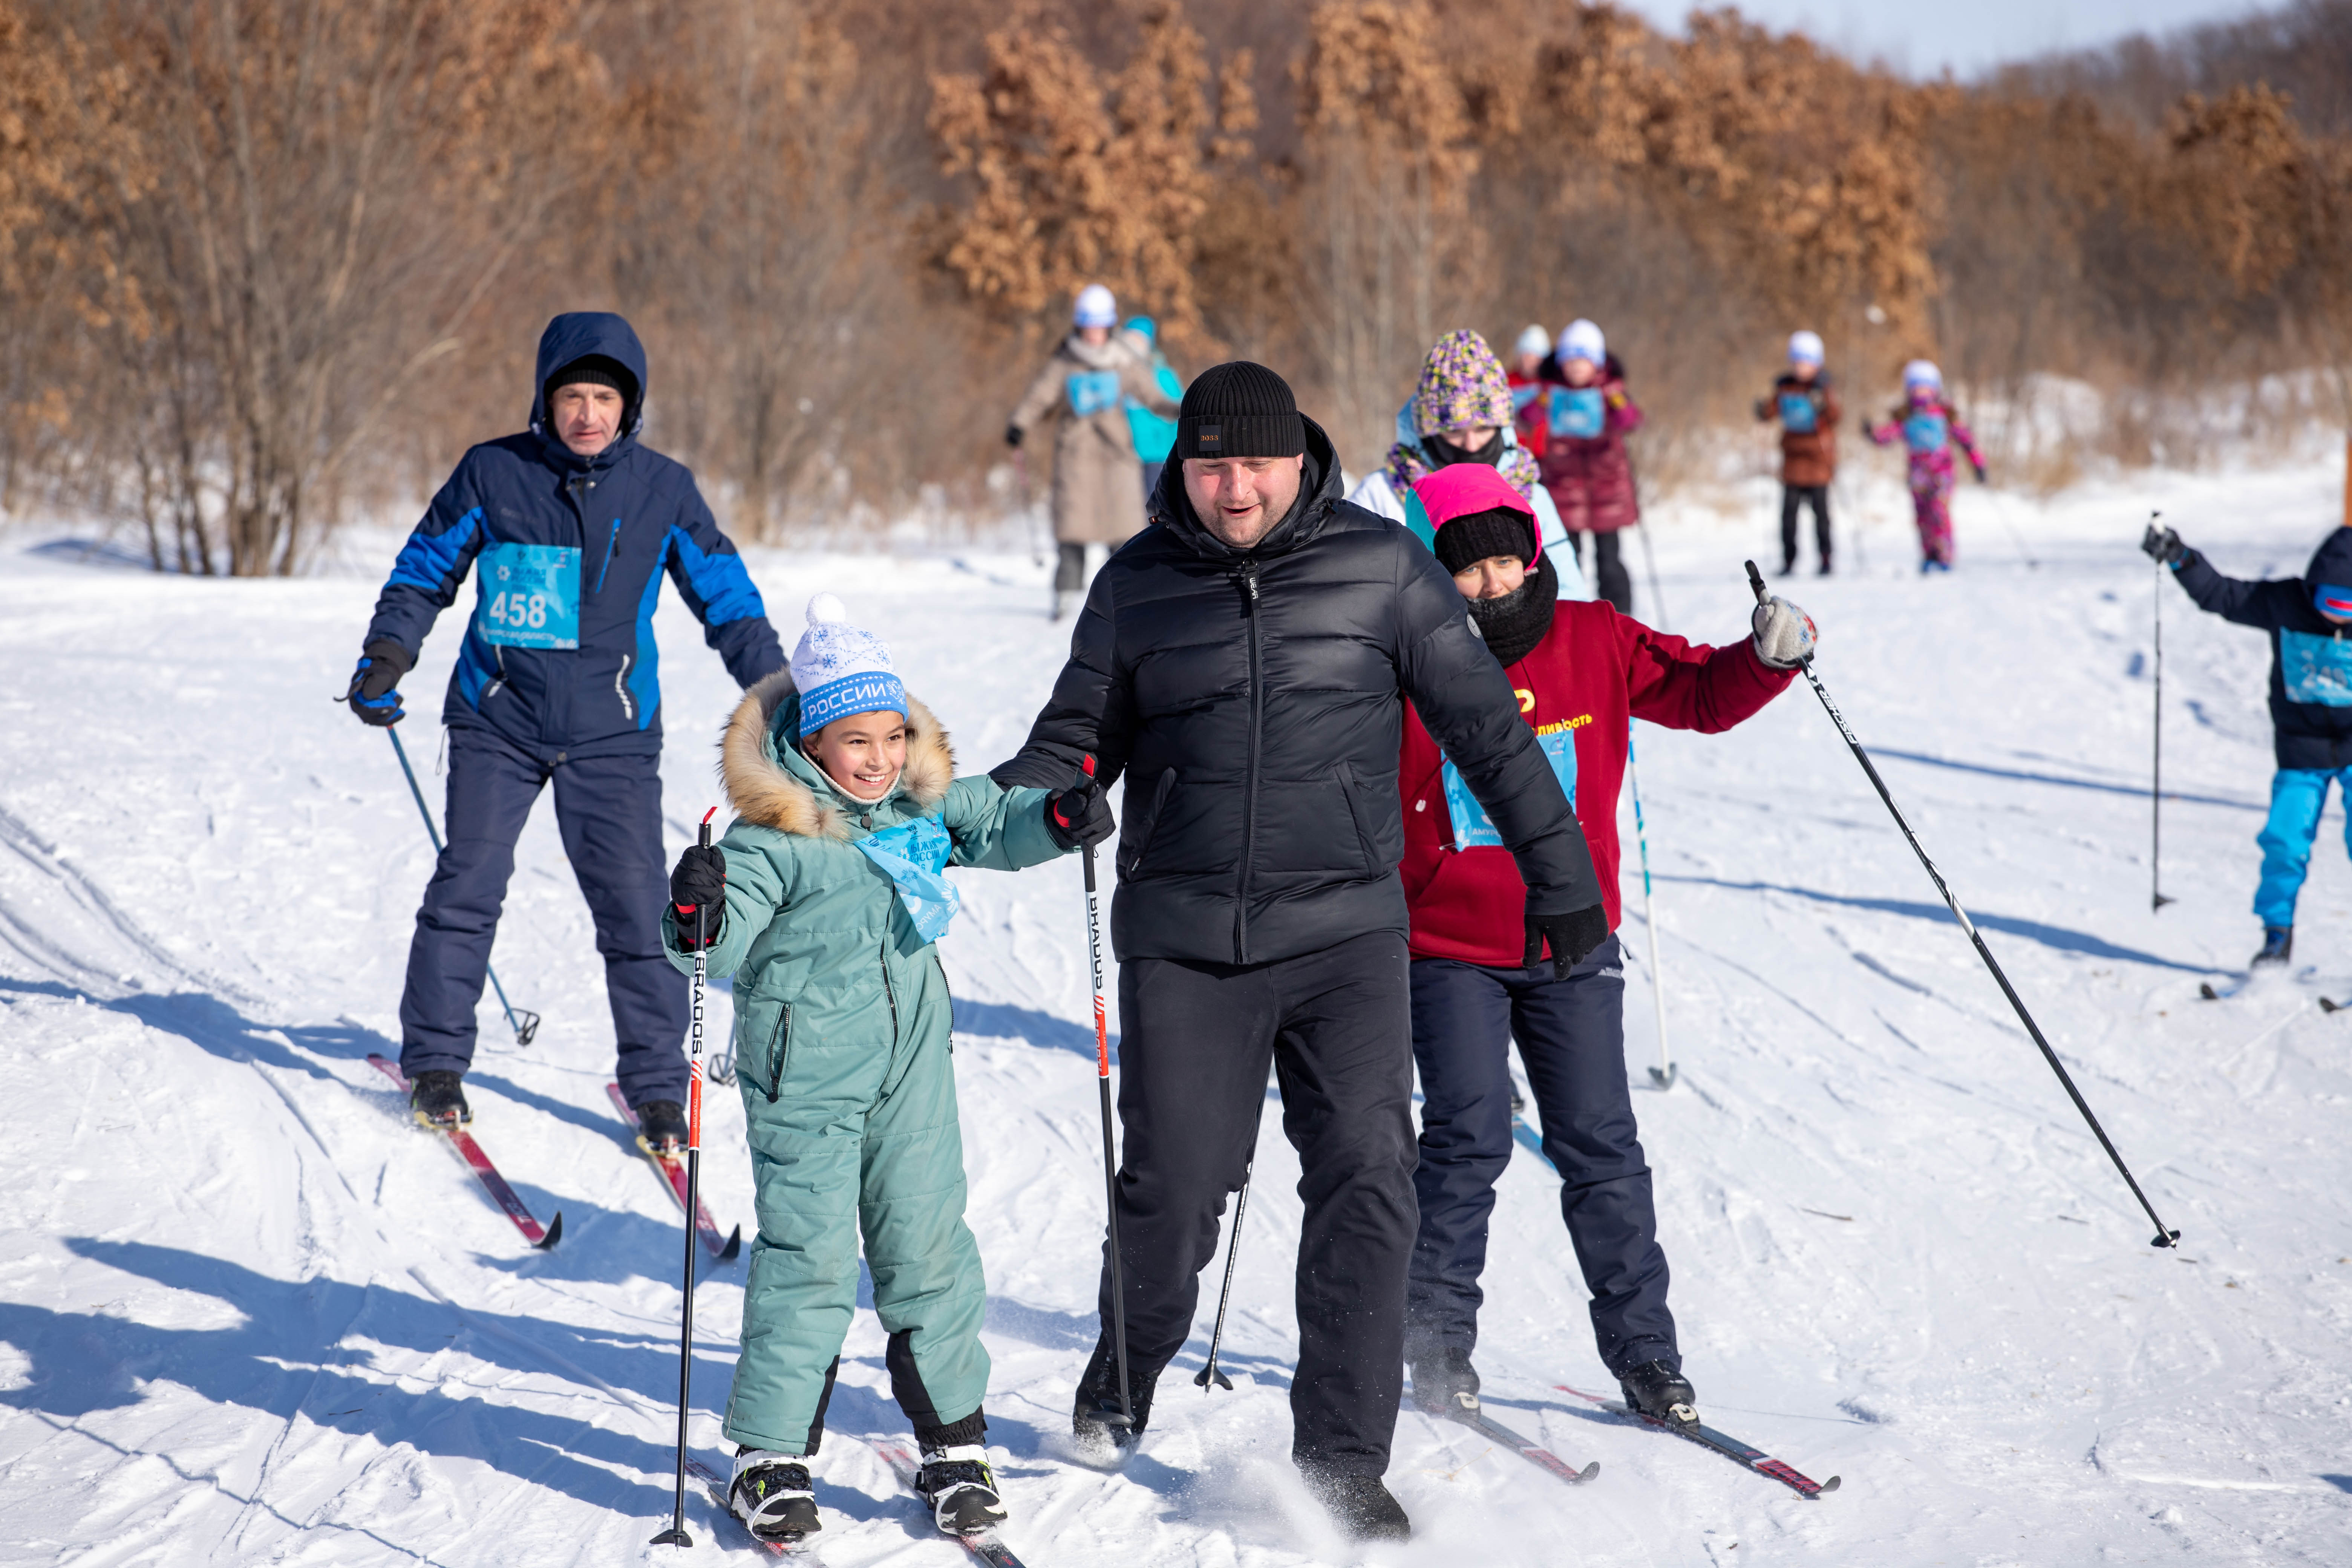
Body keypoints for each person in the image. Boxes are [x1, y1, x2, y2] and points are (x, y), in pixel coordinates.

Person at [989, 360, 1609, 1543]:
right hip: (1185, 938)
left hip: (1347, 936)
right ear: (1184, 467)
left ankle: (1340, 1459)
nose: (1234, 488)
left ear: (1300, 459)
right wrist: (1045, 800)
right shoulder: (1137, 583)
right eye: (1211, 464)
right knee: (1172, 1188)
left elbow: (1487, 725)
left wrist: (1561, 875)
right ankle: (1123, 1369)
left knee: (1370, 1178)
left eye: (1255, 463)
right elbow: (1069, 739)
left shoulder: (1383, 567)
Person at [661, 593, 1096, 1546]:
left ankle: (954, 1444)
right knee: (808, 1260)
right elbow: (717, 947)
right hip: (802, 1078)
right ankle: (768, 1456)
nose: (880, 759)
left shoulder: (918, 803)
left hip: (909, 1075)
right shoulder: (771, 839)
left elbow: (998, 822)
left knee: (929, 1248)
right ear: (812, 741)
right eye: (856, 741)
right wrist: (695, 913)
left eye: (893, 736)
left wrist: (1058, 816)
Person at [1390, 461, 1813, 1437]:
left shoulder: (1593, 637)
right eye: (1466, 570)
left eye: (1505, 560)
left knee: (1603, 1150)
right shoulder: (1404, 662)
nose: (1492, 584)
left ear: (1533, 549)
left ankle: (1648, 1359)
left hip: (1574, 948)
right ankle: (1438, 1347)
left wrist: (1768, 655)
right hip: (1450, 947)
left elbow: (1701, 691)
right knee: (1468, 1142)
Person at [345, 312, 783, 1142]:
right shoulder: (493, 472)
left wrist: (779, 696)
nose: (588, 413)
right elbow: (426, 565)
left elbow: (729, 602)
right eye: (573, 395)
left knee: (636, 905)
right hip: (496, 719)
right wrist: (389, 651)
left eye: (605, 398)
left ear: (630, 407)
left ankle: (657, 1084)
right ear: (546, 400)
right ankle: (437, 1062)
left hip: (612, 729)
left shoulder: (664, 491)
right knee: (467, 886)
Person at [2144, 521, 2352, 967]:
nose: (2338, 616)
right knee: (2284, 840)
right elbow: (2221, 595)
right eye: (2329, 603)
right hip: (2302, 749)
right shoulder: (2285, 602)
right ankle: (2277, 934)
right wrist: (2181, 557)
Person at [1347, 329, 1588, 601]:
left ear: (1502, 426)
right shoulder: (1380, 495)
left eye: (1484, 428)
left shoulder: (1529, 494)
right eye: (1454, 432)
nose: (1472, 445)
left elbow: (1570, 596)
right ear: (1428, 434)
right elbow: (1350, 590)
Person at [1006, 284, 1180, 620]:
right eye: (1088, 326)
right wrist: (1019, 424)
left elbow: (1151, 394)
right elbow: (1040, 396)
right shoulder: (1066, 360)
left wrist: (1178, 409)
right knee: (1074, 532)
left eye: (1100, 326)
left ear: (1110, 326)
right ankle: (1066, 596)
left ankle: (1130, 594)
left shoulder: (1122, 360)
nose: (1094, 334)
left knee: (1124, 533)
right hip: (1077, 458)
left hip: (1117, 456)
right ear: (1079, 325)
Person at [1537, 319, 1645, 614]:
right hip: (1564, 487)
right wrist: (1541, 400)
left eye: (1582, 361)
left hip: (1607, 488)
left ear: (1596, 363)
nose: (1575, 368)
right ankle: (1570, 615)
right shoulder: (1552, 391)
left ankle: (1621, 618)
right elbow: (1527, 417)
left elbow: (1633, 421)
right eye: (1569, 361)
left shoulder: (1611, 390)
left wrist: (1617, 401)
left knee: (1609, 561)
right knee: (1566, 558)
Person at [1867, 359, 1986, 573]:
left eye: (1925, 387)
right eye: (1916, 387)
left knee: (1939, 513)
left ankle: (1944, 556)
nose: (1921, 393)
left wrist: (1979, 465)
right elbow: (1888, 435)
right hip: (1918, 476)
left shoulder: (1944, 414)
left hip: (1943, 474)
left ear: (1935, 388)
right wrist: (1872, 435)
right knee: (1922, 517)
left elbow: (1966, 439)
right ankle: (1928, 554)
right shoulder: (1906, 416)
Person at [1756, 329, 1841, 576]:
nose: (1801, 367)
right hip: (1792, 461)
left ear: (1816, 363)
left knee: (1821, 516)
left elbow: (1835, 417)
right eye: (1797, 362)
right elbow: (1770, 412)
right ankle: (1789, 560)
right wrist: (1762, 411)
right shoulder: (1785, 387)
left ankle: (1826, 559)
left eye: (1806, 362)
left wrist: (1823, 406)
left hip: (1818, 461)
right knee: (1788, 517)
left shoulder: (1823, 386)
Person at [1119, 315, 1186, 500]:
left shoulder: (1163, 375)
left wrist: (1178, 451)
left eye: (1139, 340)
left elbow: (1178, 413)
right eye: (1129, 339)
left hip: (1157, 455)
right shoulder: (1116, 374)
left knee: (1155, 509)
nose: (1133, 345)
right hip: (1126, 455)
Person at [1507, 323, 1553, 462]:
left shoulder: (1549, 385)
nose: (1532, 363)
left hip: (1542, 453)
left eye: (1537, 358)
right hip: (1512, 451)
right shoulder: (1506, 382)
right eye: (1528, 356)